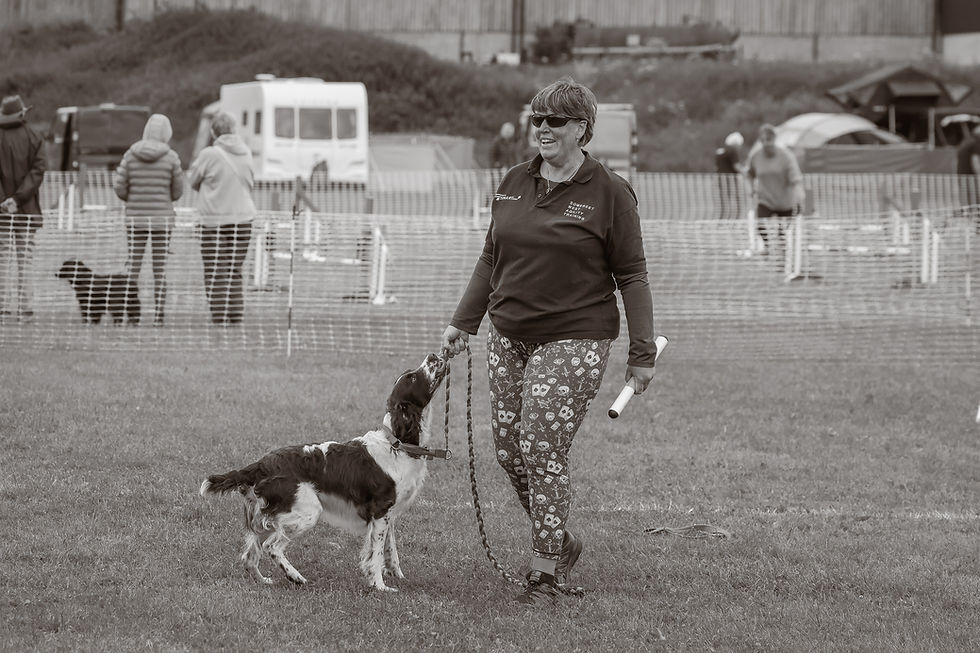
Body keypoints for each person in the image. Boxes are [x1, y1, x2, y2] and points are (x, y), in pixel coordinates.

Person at [441, 79, 657, 607]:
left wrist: (642, 352)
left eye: (553, 121)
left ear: (582, 128)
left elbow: (632, 275)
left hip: (575, 337)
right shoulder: (514, 180)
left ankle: (545, 571)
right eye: (536, 119)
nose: (541, 128)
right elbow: (491, 256)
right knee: (509, 451)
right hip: (509, 333)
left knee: (541, 445)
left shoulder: (610, 191)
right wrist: (462, 322)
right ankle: (560, 538)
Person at [113, 113, 184, 326]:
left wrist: (131, 200)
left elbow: (119, 186)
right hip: (162, 221)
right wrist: (164, 200)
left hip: (135, 220)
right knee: (159, 270)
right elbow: (178, 191)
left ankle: (131, 315)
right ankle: (158, 317)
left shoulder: (130, 154)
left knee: (133, 268)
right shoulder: (171, 157)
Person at [188, 111, 256, 325]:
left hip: (214, 221)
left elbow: (192, 180)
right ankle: (235, 316)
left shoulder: (209, 154)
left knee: (216, 269)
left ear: (213, 131)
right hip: (243, 219)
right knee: (234, 269)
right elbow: (251, 182)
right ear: (234, 129)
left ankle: (219, 317)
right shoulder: (246, 151)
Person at [0, 94, 45, 324]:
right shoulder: (34, 135)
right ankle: (26, 310)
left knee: (3, 259)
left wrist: (4, 201)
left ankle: (3, 309)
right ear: (22, 113)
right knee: (25, 259)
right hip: (27, 209)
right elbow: (38, 171)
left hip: (1, 213)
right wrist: (18, 199)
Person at [746, 123, 804, 256]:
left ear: (775, 139)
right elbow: (749, 174)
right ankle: (767, 247)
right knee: (760, 223)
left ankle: (783, 250)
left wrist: (800, 193)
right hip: (765, 199)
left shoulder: (786, 156)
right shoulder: (755, 156)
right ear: (761, 141)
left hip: (785, 201)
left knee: (784, 230)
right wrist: (750, 189)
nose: (767, 143)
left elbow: (795, 178)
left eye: (769, 140)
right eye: (764, 140)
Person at [715, 131, 745, 220]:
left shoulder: (720, 152)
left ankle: (723, 219)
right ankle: (737, 218)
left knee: (723, 201)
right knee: (738, 199)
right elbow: (737, 166)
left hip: (720, 179)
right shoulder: (732, 151)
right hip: (730, 180)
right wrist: (747, 173)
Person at [956, 124, 980, 228]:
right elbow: (975, 161)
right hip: (971, 177)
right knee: (975, 202)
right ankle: (976, 226)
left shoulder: (964, 141)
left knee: (967, 201)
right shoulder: (976, 142)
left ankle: (969, 225)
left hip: (961, 176)